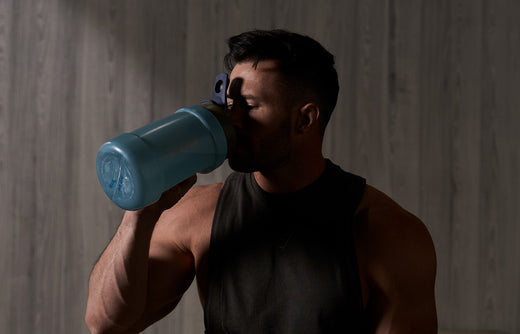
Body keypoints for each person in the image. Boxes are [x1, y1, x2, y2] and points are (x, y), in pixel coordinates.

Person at [85, 29, 437, 333]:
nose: (232, 120)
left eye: (250, 106)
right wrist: (140, 212)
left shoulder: (387, 233)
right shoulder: (199, 214)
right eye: (229, 104)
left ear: (305, 120)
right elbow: (106, 324)